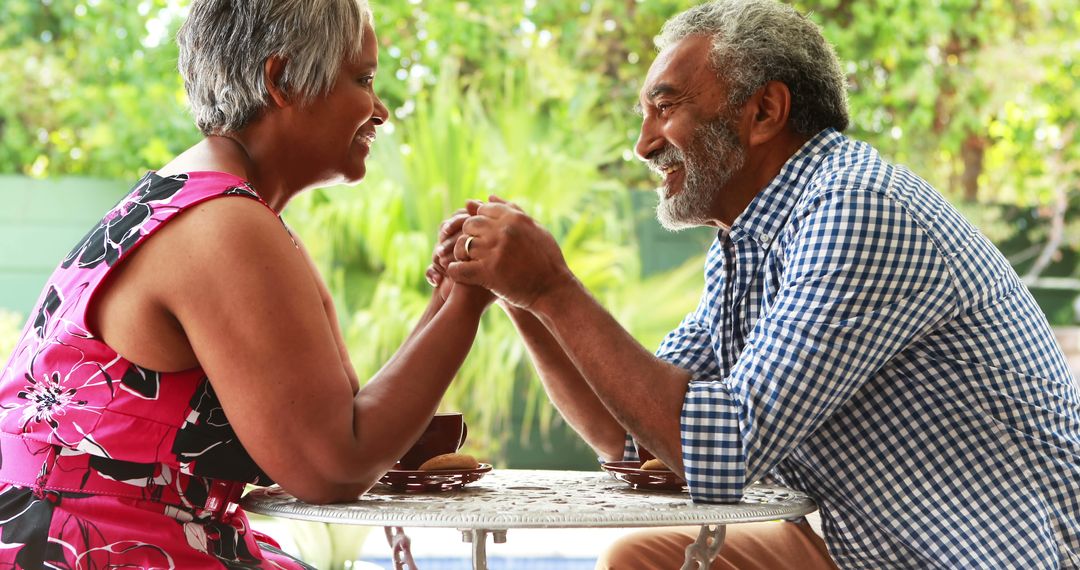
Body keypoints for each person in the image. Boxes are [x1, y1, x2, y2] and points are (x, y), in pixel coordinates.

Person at [430, 0, 1080, 568]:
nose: (642, 144)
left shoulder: (856, 206)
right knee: (643, 560)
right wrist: (519, 294)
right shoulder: (749, 238)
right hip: (874, 546)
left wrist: (554, 289)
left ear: (765, 110)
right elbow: (632, 432)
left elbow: (721, 447)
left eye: (665, 108)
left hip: (976, 554)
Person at [0, 1, 491, 567]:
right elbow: (331, 467)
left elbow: (343, 420)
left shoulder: (220, 205)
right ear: (281, 81)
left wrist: (453, 290)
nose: (380, 110)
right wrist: (471, 301)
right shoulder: (222, 224)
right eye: (362, 79)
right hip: (96, 545)